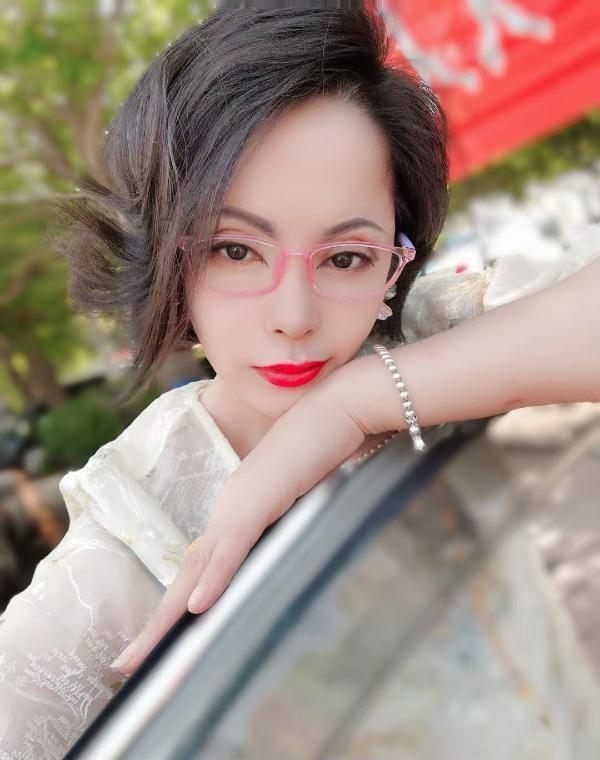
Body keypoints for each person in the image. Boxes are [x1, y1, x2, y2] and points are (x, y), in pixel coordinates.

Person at [0, 6, 599, 758]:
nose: (293, 316)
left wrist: (353, 404)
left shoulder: (428, 340)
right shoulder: (125, 546)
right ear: (167, 256)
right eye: (234, 250)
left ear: (393, 266)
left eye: (346, 258)